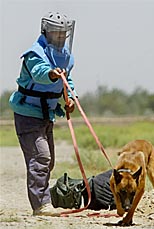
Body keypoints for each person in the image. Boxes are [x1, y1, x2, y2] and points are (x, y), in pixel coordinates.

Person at [9, 12, 77, 216]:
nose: (60, 36)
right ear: (46, 31)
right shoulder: (34, 54)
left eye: (63, 33)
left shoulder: (65, 56)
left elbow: (68, 81)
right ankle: (41, 205)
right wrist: (51, 74)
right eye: (56, 32)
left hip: (48, 114)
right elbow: (39, 72)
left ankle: (45, 199)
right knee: (41, 157)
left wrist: (70, 97)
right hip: (28, 114)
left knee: (49, 160)